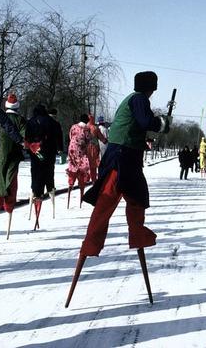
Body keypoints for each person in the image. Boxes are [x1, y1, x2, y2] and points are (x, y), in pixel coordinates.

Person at [66, 71, 171, 307]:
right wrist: (162, 124)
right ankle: (122, 239)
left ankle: (134, 236)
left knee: (131, 204)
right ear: (151, 87)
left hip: (125, 158)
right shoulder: (139, 99)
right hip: (122, 160)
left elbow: (136, 127)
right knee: (114, 205)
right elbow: (146, 122)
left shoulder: (133, 100)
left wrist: (154, 129)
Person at [0, 94, 26, 232]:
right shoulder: (19, 119)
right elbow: (20, 133)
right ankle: (9, 207)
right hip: (13, 155)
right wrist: (22, 141)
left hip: (0, 154)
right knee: (11, 181)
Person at [25, 104, 60, 226]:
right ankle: (50, 191)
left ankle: (36, 194)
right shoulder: (53, 122)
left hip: (36, 154)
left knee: (36, 174)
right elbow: (58, 137)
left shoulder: (30, 122)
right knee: (49, 173)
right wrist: (59, 149)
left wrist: (30, 149)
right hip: (49, 155)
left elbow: (27, 139)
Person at [66, 114, 91, 207]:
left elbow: (70, 136)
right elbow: (88, 140)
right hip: (81, 151)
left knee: (72, 168)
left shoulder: (73, 126)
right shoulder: (86, 129)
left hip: (72, 149)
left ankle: (70, 184)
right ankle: (82, 190)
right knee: (82, 170)